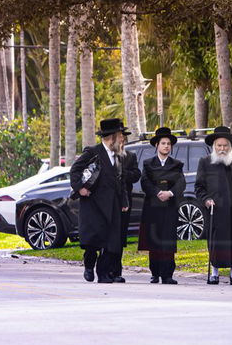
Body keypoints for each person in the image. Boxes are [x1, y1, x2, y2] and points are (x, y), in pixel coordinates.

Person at [70, 118, 137, 283]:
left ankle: (104, 274)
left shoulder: (118, 157)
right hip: (93, 205)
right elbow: (75, 170)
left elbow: (120, 181)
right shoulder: (92, 152)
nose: (123, 139)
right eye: (120, 136)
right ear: (112, 137)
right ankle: (89, 264)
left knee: (110, 242)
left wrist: (124, 202)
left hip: (113, 205)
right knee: (93, 242)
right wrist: (80, 188)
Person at [194, 125, 232, 285]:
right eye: (219, 145)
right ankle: (214, 273)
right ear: (214, 146)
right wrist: (206, 199)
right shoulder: (205, 162)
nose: (222, 149)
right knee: (217, 242)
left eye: (225, 145)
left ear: (230, 146)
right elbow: (199, 187)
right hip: (216, 209)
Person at [138, 127, 185, 284]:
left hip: (170, 207)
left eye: (168, 144)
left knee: (168, 240)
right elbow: (145, 182)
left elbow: (181, 182)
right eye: (163, 143)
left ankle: (167, 275)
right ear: (157, 145)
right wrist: (158, 192)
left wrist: (170, 193)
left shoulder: (177, 164)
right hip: (153, 207)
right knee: (154, 240)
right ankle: (155, 273)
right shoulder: (148, 164)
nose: (166, 146)